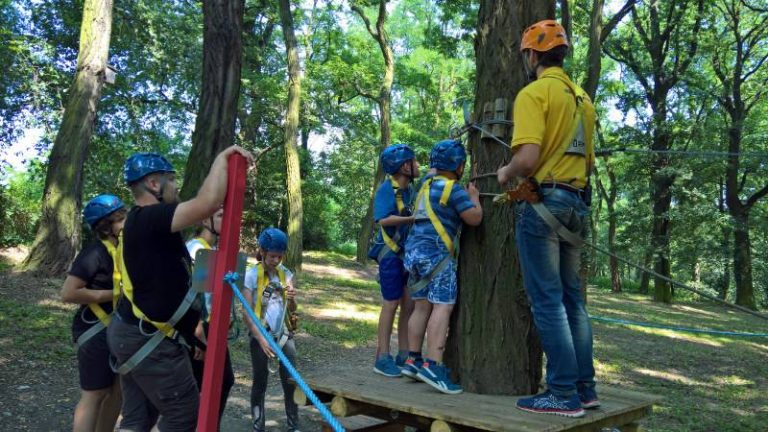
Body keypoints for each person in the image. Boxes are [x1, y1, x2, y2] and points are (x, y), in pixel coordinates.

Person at [107, 146, 254, 431]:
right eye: (171, 180)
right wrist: (221, 159)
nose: (176, 186)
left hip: (134, 332)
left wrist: (192, 330)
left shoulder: (147, 225)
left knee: (139, 418)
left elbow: (169, 287)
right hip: (145, 338)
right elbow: (207, 203)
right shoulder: (149, 218)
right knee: (184, 415)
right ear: (153, 183)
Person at [496, 20, 597, 418]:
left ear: (533, 55)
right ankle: (584, 389)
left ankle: (561, 393)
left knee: (548, 301)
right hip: (576, 202)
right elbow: (586, 160)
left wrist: (505, 172)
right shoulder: (582, 98)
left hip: (545, 204)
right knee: (573, 301)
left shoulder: (534, 93)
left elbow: (528, 159)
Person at [400, 139, 482, 394]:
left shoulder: (425, 184)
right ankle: (433, 366)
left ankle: (412, 359)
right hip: (437, 257)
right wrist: (475, 198)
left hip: (413, 254)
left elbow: (434, 171)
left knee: (421, 306)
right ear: (458, 166)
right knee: (442, 306)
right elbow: (474, 218)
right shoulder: (455, 190)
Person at [61, 194, 126, 432]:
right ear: (105, 227)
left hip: (119, 329)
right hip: (95, 328)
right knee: (95, 394)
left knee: (117, 391)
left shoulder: (123, 250)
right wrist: (114, 294)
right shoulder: (94, 253)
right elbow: (68, 293)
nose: (125, 222)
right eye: (120, 218)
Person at [368, 143, 419, 377]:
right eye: (413, 161)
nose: (417, 165)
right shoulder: (387, 189)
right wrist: (412, 220)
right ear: (402, 166)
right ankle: (383, 357)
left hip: (408, 255)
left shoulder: (412, 190)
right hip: (390, 255)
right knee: (391, 303)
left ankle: (405, 354)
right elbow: (382, 220)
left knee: (409, 304)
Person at [242, 228, 300, 432]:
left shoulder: (286, 274)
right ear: (263, 251)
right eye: (272, 256)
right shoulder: (251, 275)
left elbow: (292, 310)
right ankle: (259, 427)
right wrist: (260, 338)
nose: (276, 260)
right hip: (261, 334)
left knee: (290, 381)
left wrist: (292, 299)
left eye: (280, 256)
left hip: (283, 334)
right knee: (260, 381)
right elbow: (247, 313)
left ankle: (293, 425)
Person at [185, 207, 235, 429]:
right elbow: (194, 297)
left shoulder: (213, 249)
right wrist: (198, 337)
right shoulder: (196, 250)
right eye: (220, 216)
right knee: (196, 386)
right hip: (197, 328)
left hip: (212, 326)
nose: (226, 221)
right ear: (205, 219)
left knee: (222, 380)